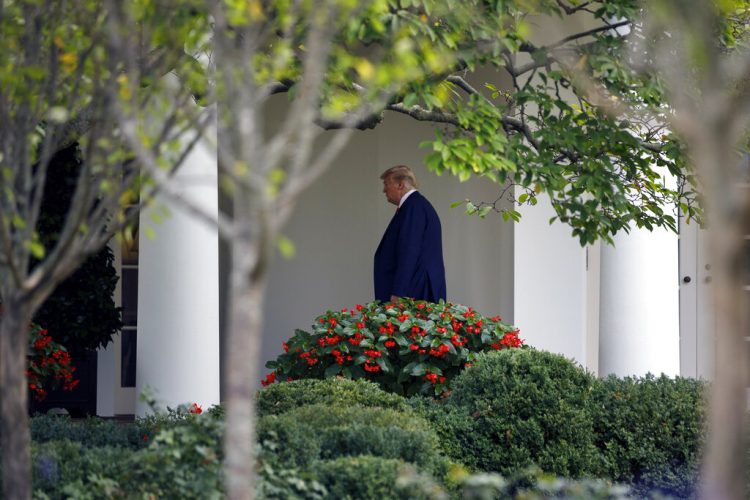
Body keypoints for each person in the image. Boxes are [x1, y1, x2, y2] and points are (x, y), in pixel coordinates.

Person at [374, 165, 446, 303]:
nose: (384, 190)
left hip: (414, 291)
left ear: (400, 185)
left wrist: (398, 292)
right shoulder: (415, 206)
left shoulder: (414, 208)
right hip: (415, 287)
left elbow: (409, 251)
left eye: (386, 184)